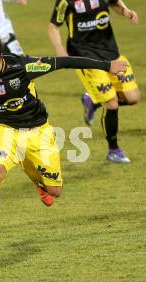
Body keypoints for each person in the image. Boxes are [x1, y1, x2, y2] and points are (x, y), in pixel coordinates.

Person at [0, 33, 127, 253]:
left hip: (39, 131)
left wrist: (107, 66)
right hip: (4, 130)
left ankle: (37, 180)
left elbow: (65, 62)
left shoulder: (24, 67)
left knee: (54, 191)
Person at [47, 0, 140, 163]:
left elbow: (115, 3)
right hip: (85, 57)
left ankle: (92, 101)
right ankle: (113, 150)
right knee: (112, 104)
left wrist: (126, 11)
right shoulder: (65, 1)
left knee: (133, 98)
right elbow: (53, 26)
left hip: (111, 52)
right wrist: (60, 49)